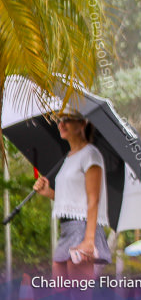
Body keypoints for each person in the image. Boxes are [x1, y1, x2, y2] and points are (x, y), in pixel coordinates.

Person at [33, 111, 112, 280]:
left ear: (82, 124)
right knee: (59, 291)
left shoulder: (90, 154)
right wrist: (48, 192)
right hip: (67, 229)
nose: (61, 124)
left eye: (67, 120)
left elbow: (93, 199)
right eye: (60, 120)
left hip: (83, 229)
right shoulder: (69, 157)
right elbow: (73, 198)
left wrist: (89, 240)